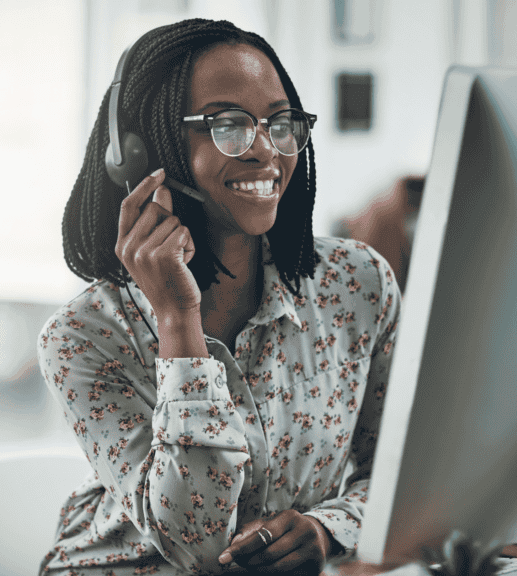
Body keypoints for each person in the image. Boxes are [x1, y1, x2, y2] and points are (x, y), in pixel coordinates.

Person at [37, 18, 401, 575]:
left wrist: (329, 528)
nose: (266, 152)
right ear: (138, 153)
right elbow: (195, 544)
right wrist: (179, 322)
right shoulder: (83, 337)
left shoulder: (356, 285)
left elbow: (404, 474)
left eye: (281, 124)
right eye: (229, 124)